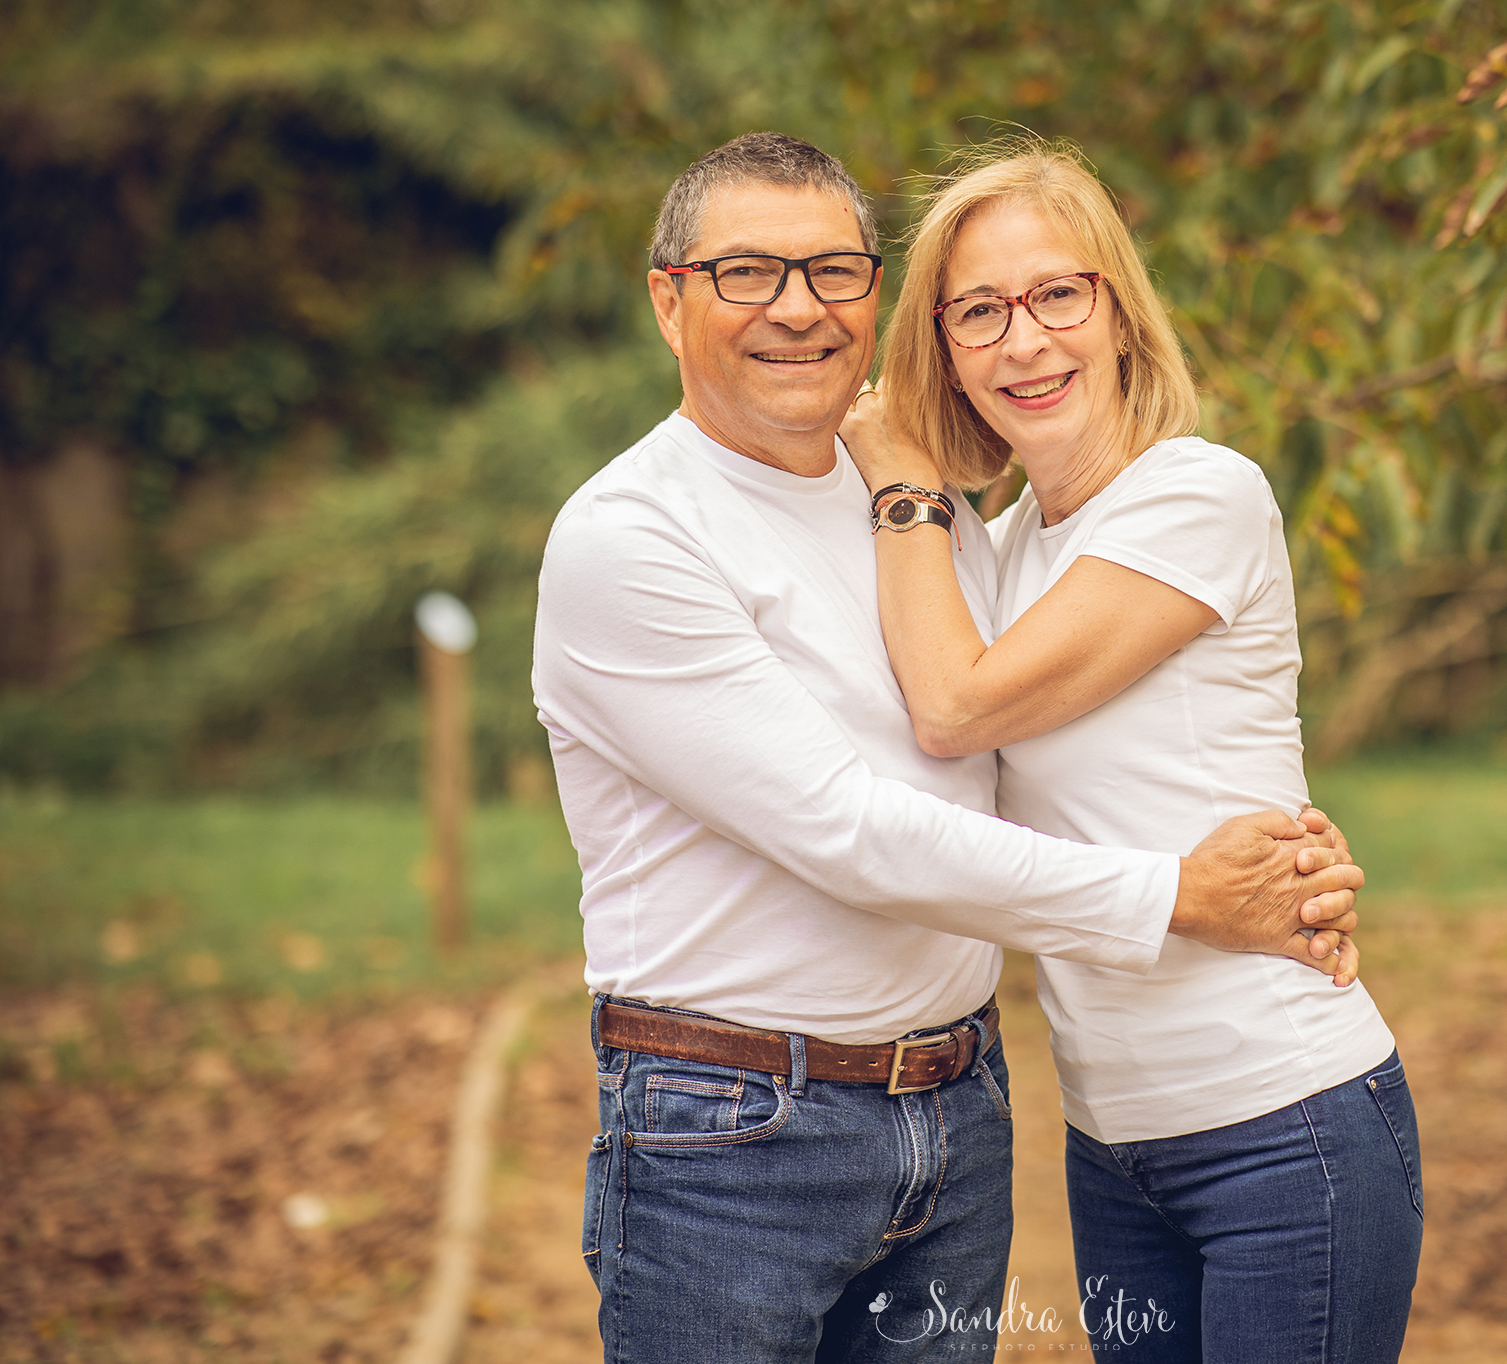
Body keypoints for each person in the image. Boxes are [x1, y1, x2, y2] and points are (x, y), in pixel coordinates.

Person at [531, 131, 1368, 1363]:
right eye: (748, 274)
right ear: (670, 299)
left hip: (958, 1126)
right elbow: (851, 829)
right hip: (735, 1141)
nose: (798, 310)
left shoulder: (929, 519)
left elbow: (1032, 768)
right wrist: (1183, 892)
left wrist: (1285, 857)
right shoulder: (633, 536)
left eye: (833, 272)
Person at [838, 141, 1422, 1364]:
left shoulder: (1199, 495)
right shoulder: (999, 553)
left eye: (1060, 294)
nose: (1026, 340)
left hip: (1286, 1116)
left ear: (1118, 313)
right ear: (944, 345)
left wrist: (900, 481)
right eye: (981, 311)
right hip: (1111, 1144)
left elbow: (954, 706)